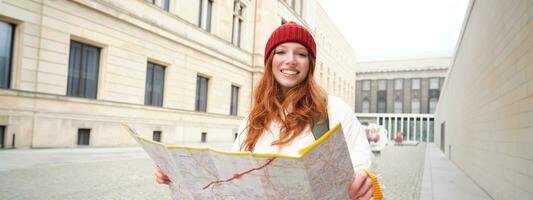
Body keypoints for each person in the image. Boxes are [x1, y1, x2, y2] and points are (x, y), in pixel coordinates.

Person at [155, 22, 382, 200]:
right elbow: (229, 183)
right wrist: (178, 176)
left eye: (301, 54)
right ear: (269, 60)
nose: (291, 60)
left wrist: (365, 185)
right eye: (281, 51)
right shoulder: (251, 121)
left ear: (310, 64)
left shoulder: (333, 110)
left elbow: (362, 167)